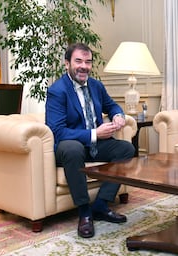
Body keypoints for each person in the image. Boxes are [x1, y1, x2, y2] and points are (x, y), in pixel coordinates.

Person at [45, 43, 135, 238]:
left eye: (88, 62)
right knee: (72, 148)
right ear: (66, 63)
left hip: (94, 146)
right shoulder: (57, 91)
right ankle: (84, 211)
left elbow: (112, 106)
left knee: (126, 149)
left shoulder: (96, 85)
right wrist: (95, 134)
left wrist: (118, 115)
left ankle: (101, 205)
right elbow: (58, 132)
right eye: (78, 61)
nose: (84, 66)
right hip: (69, 150)